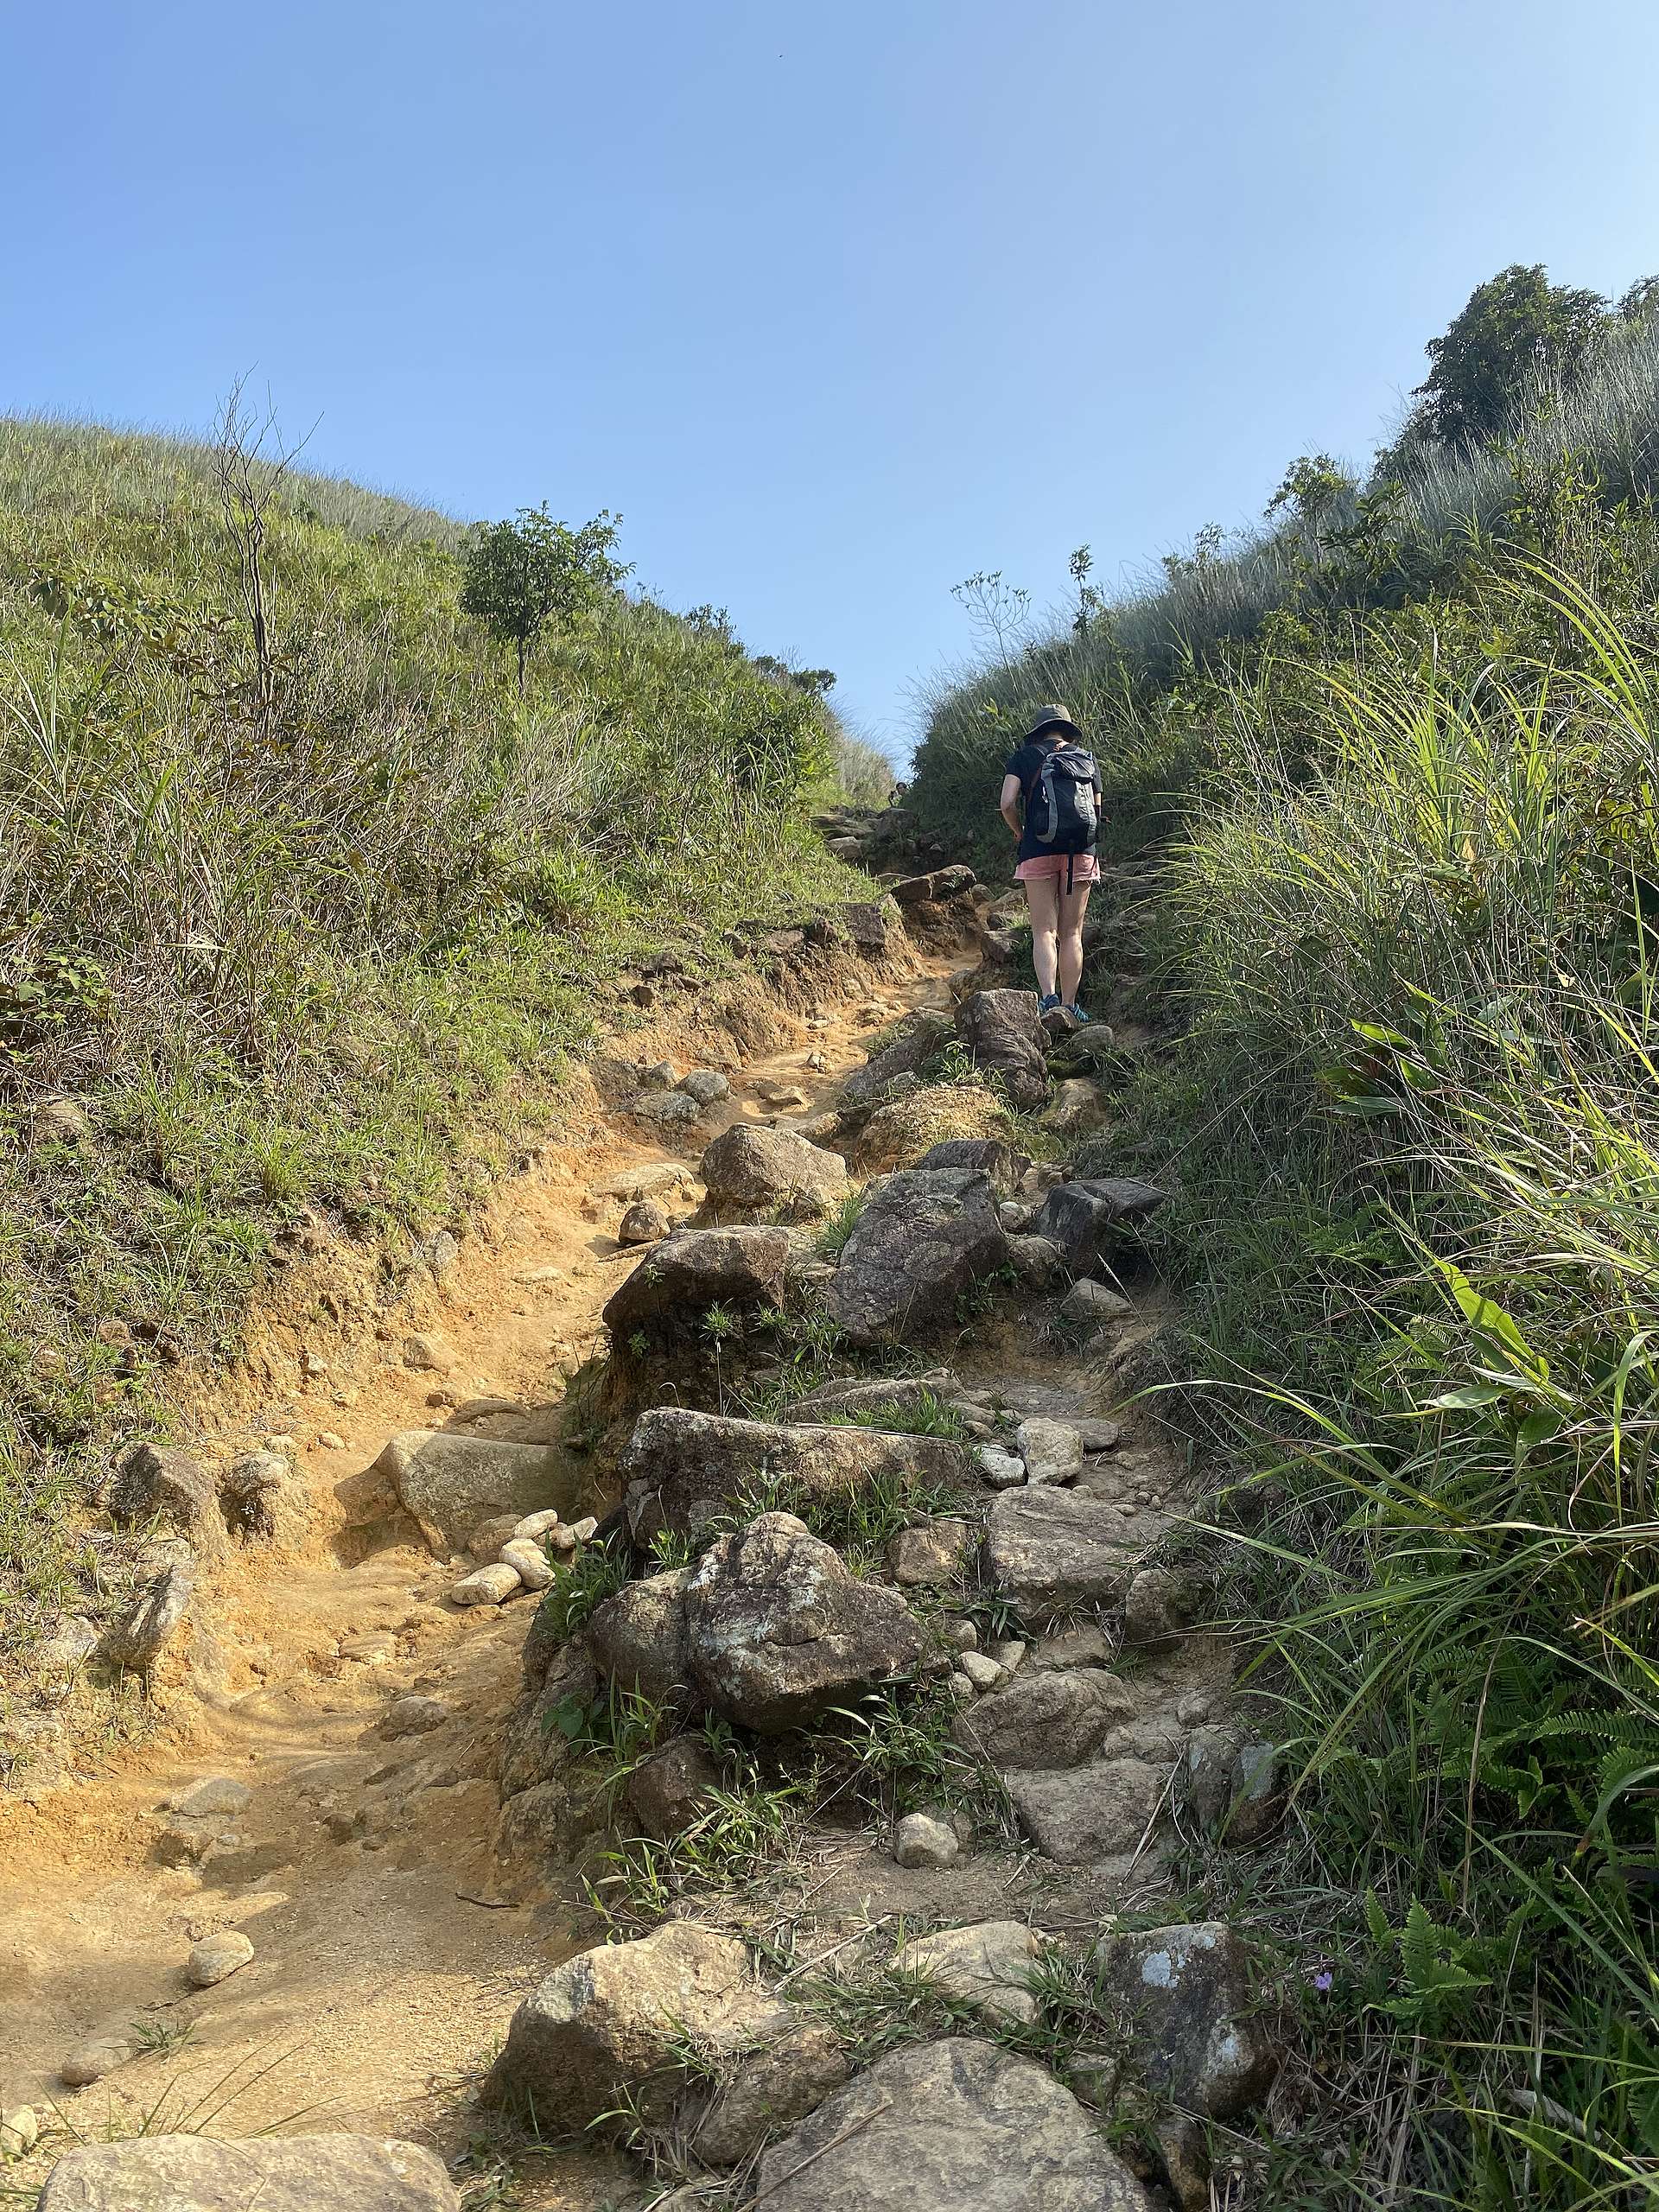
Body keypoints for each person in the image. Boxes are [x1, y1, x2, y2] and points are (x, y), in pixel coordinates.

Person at [999, 702, 1102, 1021]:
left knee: (1044, 930)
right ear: (1066, 730)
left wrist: (1020, 831)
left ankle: (1048, 1000)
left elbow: (1006, 803)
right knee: (1072, 933)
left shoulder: (1025, 756)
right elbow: (1096, 812)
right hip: (1081, 851)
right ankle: (1071, 1007)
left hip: (1037, 848)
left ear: (1038, 730)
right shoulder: (1085, 758)